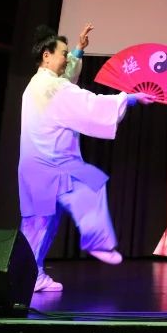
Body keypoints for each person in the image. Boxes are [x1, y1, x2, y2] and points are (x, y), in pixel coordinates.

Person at [19, 23, 152, 293]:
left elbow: (66, 78)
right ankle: (93, 242)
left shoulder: (38, 83)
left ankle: (31, 274)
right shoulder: (53, 87)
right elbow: (89, 103)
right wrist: (129, 99)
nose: (67, 58)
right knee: (72, 198)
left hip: (37, 164)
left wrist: (79, 49)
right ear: (47, 55)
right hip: (53, 164)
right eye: (63, 53)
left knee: (41, 222)